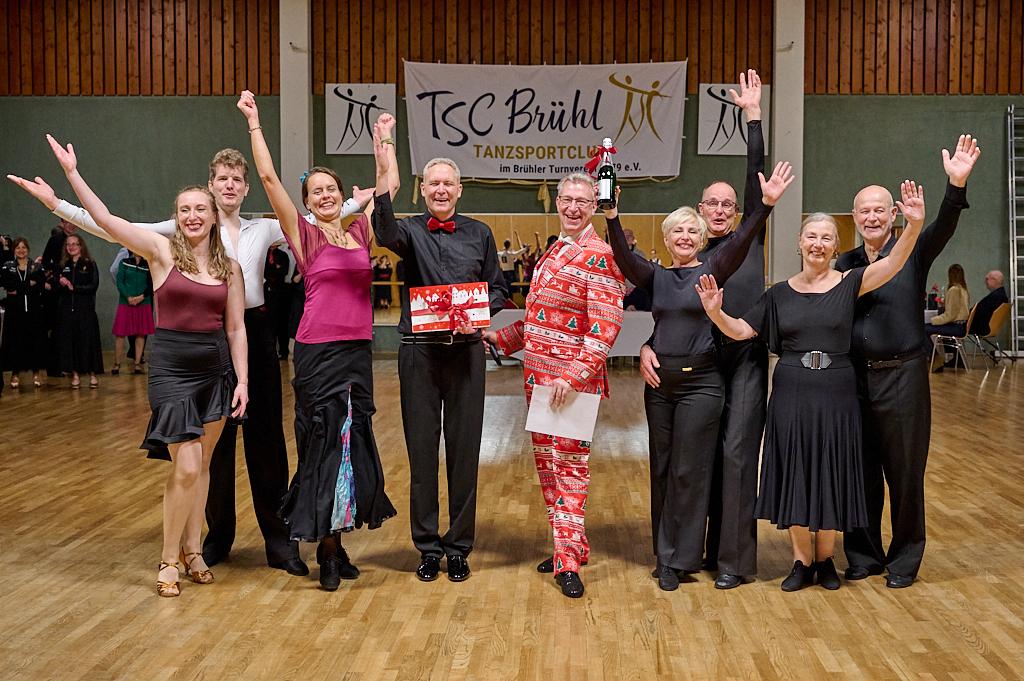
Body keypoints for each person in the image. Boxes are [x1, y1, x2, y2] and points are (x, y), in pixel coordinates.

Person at [9, 148, 367, 577]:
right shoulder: (181, 226)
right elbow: (111, 226)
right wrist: (57, 203)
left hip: (252, 330)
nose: (229, 185)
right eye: (221, 179)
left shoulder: (266, 227)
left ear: (245, 187)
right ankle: (214, 539)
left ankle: (279, 541)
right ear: (211, 187)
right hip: (204, 336)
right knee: (210, 450)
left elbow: (318, 214)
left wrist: (360, 201)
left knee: (267, 442)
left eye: (236, 178)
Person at [42, 133, 249, 597]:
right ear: (177, 218)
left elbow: (236, 328)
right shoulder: (160, 252)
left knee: (207, 465)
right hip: (173, 370)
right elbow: (106, 220)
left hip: (216, 370)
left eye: (200, 209)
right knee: (188, 467)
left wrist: (243, 381)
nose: (193, 216)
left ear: (214, 214)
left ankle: (195, 550)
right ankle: (169, 558)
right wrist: (72, 176)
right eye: (184, 210)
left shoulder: (230, 267)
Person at [697, 181, 926, 592]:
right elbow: (742, 330)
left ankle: (825, 561)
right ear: (799, 243)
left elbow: (893, 264)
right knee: (797, 471)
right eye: (811, 237)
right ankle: (801, 561)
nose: (817, 244)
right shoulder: (779, 294)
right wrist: (715, 313)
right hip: (791, 391)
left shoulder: (851, 283)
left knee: (831, 470)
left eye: (826, 238)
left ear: (835, 247)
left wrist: (912, 225)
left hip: (837, 392)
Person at [610, 158, 792, 592]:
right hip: (664, 386)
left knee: (707, 467)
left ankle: (705, 558)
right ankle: (671, 556)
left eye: (693, 231)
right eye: (679, 231)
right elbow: (625, 259)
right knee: (668, 469)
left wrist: (764, 205)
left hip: (714, 376)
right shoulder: (657, 275)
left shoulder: (716, 267)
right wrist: (612, 216)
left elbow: (746, 233)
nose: (687, 236)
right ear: (669, 237)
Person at [240, 90, 397, 590]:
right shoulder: (305, 237)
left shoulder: (359, 234)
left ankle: (339, 541)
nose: (326, 196)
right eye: (317, 192)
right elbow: (267, 178)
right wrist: (254, 123)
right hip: (317, 353)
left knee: (352, 448)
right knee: (324, 448)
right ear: (308, 203)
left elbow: (388, 185)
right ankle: (326, 551)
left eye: (332, 189)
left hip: (356, 352)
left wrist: (382, 142)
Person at [639, 69, 768, 589]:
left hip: (744, 362)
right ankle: (695, 551)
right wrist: (650, 345)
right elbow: (667, 310)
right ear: (696, 212)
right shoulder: (688, 253)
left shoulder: (746, 242)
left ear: (737, 212)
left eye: (726, 205)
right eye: (709, 204)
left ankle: (732, 561)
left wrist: (752, 118)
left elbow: (757, 179)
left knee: (735, 457)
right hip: (701, 364)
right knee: (701, 461)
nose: (718, 211)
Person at [836, 135, 980, 589]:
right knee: (859, 471)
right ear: (855, 218)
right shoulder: (845, 262)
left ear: (893, 214)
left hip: (904, 378)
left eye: (881, 209)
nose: (872, 216)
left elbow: (943, 227)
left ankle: (903, 560)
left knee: (904, 473)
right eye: (864, 211)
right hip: (855, 379)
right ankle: (862, 554)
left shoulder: (914, 250)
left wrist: (954, 187)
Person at [484, 173, 625, 599]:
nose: (573, 208)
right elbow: (540, 317)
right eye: (567, 200)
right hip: (539, 382)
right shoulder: (555, 250)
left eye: (583, 201)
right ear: (558, 202)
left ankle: (567, 562)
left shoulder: (600, 255)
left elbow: (606, 327)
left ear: (594, 206)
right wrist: (502, 337)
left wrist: (573, 375)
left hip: (570, 386)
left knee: (569, 471)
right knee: (548, 470)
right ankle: (572, 545)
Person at [373, 154, 507, 584]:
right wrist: (383, 166)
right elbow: (382, 229)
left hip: (466, 353)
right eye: (433, 184)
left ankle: (460, 547)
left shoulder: (481, 233)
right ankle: (428, 547)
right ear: (424, 189)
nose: (441, 190)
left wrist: (481, 314)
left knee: (465, 453)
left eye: (448, 183)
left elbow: (499, 290)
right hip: (420, 353)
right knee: (422, 454)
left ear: (460, 189)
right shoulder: (408, 230)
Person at [55, 233, 104, 388]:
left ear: (81, 246)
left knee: (88, 342)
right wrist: (59, 283)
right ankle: (75, 374)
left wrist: (73, 287)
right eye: (68, 244)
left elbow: (93, 286)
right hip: (68, 312)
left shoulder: (89, 264)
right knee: (72, 343)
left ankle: (92, 374)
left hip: (86, 311)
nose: (71, 247)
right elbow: (56, 290)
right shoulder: (63, 265)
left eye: (75, 244)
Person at [1, 237, 47, 388]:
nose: (21, 250)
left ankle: (36, 372)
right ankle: (15, 373)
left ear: (28, 249)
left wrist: (22, 286)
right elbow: (8, 285)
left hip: (33, 311)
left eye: (24, 247)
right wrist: (28, 284)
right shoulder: (8, 266)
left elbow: (39, 285)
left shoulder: (36, 266)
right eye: (18, 247)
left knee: (34, 341)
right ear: (14, 250)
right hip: (14, 311)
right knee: (15, 341)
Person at [111, 251, 155, 374]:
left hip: (143, 302)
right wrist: (128, 297)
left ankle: (137, 363)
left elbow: (151, 284)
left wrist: (141, 297)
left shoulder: (148, 264)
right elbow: (120, 282)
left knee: (141, 333)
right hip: (126, 302)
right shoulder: (124, 262)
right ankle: (116, 364)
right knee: (120, 334)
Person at [924, 263, 969, 372]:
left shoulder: (953, 290)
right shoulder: (963, 289)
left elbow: (950, 315)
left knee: (923, 329)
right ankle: (955, 360)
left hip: (956, 327)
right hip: (961, 325)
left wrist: (932, 320)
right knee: (928, 327)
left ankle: (935, 359)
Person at [263, 243, 292, 359]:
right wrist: (275, 268)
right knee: (270, 324)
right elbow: (264, 271)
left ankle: (284, 351)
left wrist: (273, 270)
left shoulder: (282, 255)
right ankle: (271, 351)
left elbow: (283, 272)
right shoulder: (264, 255)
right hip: (267, 294)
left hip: (282, 294)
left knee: (282, 324)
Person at [969, 270, 1008, 336]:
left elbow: (979, 311)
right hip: (985, 327)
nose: (985, 282)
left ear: (994, 280)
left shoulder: (996, 297)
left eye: (987, 279)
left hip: (980, 327)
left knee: (949, 328)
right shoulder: (1001, 295)